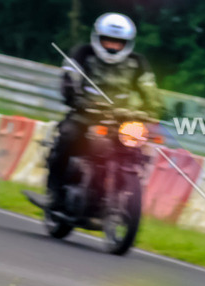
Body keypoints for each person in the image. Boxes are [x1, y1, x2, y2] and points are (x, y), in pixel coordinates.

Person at [46, 12, 163, 209]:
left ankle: (122, 190)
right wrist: (75, 99)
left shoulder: (137, 62)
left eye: (118, 43)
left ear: (127, 43)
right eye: (108, 40)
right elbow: (69, 78)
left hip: (121, 119)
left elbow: (150, 89)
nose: (112, 46)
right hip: (85, 115)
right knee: (67, 136)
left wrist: (153, 109)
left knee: (137, 148)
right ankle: (54, 192)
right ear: (97, 38)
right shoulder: (83, 53)